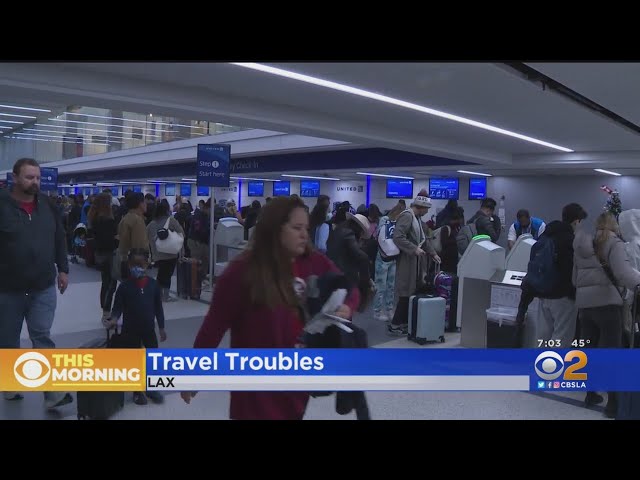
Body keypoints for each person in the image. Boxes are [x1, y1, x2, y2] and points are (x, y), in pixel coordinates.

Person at [180, 196, 360, 420]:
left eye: (306, 228)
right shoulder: (241, 272)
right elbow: (213, 327)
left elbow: (349, 288)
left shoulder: (312, 262)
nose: (304, 234)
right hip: (255, 394)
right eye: (296, 228)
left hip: (295, 388)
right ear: (275, 229)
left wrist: (346, 306)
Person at [0, 158, 72, 409]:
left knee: (42, 337)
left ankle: (53, 394)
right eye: (29, 177)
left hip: (43, 286)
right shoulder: (2, 206)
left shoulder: (48, 205)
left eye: (38, 178)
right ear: (15, 178)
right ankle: (10, 385)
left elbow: (59, 238)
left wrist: (63, 269)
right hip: (7, 289)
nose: (35, 182)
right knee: (8, 340)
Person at [573, 212, 640, 416]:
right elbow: (623, 273)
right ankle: (613, 403)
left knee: (589, 352)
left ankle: (590, 394)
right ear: (614, 226)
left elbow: (574, 279)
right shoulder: (614, 243)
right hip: (608, 306)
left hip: (585, 308)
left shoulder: (583, 245)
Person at [108, 248, 166, 405]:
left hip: (149, 329)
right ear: (128, 265)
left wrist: (161, 327)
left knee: (153, 358)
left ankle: (152, 388)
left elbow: (158, 307)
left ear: (147, 265)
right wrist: (114, 319)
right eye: (133, 265)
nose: (136, 268)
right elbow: (117, 307)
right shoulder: (124, 287)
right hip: (130, 330)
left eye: (140, 265)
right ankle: (137, 391)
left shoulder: (153, 285)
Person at [388, 190, 441, 335]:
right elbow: (398, 237)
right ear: (421, 207)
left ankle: (404, 323)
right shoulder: (407, 216)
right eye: (426, 209)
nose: (427, 212)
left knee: (412, 291)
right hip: (407, 260)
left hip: (414, 260)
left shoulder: (416, 218)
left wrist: (433, 253)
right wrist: (413, 249)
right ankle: (395, 324)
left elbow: (423, 240)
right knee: (406, 291)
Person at [88, 192, 119, 324]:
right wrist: (117, 239)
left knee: (105, 282)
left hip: (100, 253)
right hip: (109, 254)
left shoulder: (94, 218)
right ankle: (106, 311)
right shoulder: (108, 220)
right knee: (111, 283)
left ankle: (105, 310)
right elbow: (110, 240)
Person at [147, 199, 185, 302]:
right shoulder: (171, 220)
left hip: (157, 254)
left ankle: (158, 294)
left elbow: (147, 237)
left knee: (160, 274)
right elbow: (181, 233)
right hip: (170, 253)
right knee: (167, 275)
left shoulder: (151, 224)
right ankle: (166, 296)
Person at [117, 192, 149, 280]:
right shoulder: (137, 220)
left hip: (125, 259)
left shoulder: (126, 218)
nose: (146, 204)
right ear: (140, 204)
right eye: (144, 202)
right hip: (135, 263)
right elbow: (139, 245)